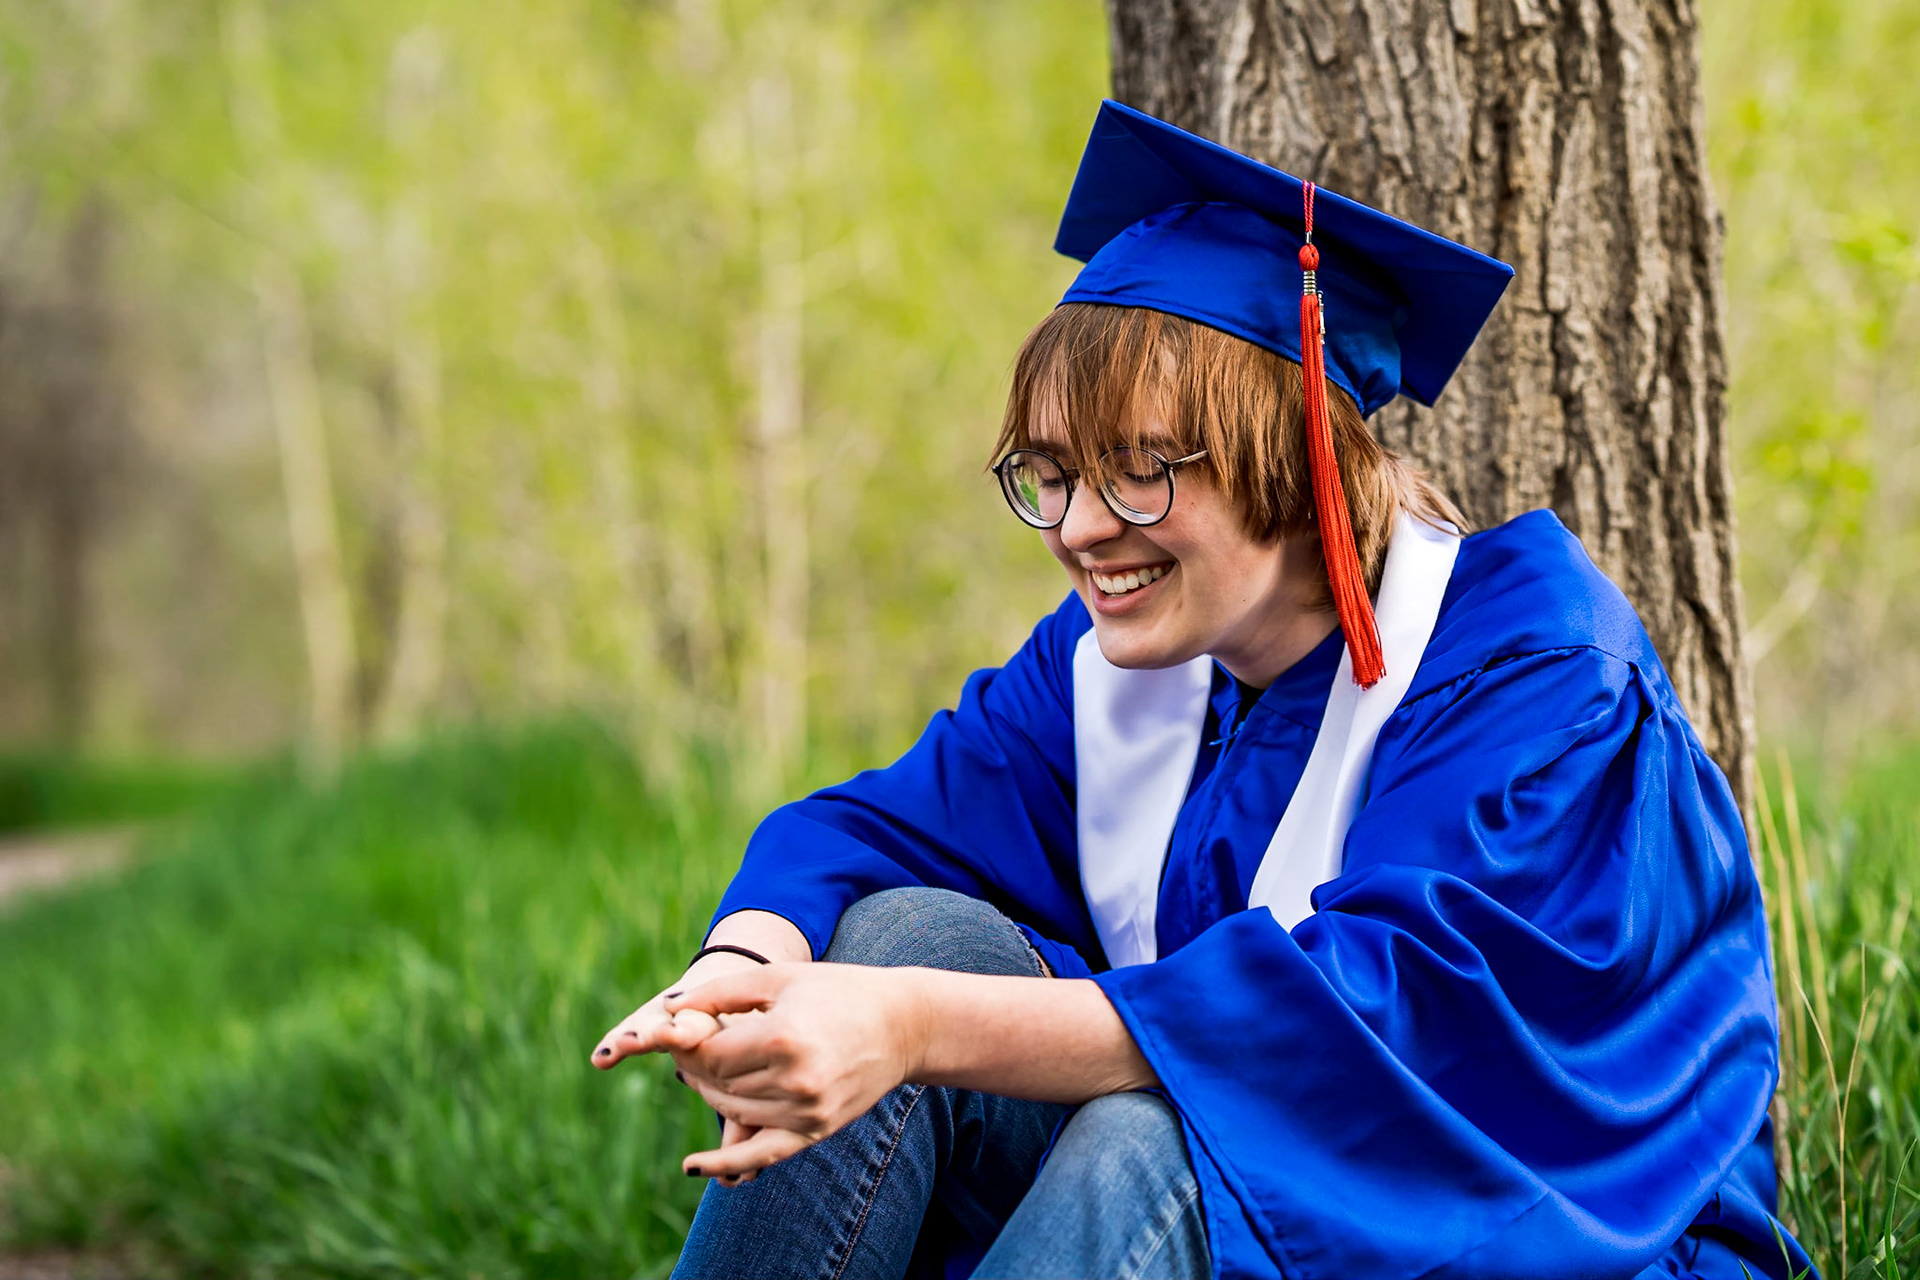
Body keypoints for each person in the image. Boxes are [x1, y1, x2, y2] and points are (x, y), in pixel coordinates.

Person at [592, 100, 1813, 1280]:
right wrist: (743, 965)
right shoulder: (1122, 663)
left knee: (1158, 1136)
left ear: (1296, 462)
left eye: (1137, 471)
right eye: (1052, 473)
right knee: (905, 935)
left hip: (1540, 1219)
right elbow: (864, 830)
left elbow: (1369, 1027)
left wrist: (912, 1022)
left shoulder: (1534, 675)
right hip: (1226, 1215)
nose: (1079, 529)